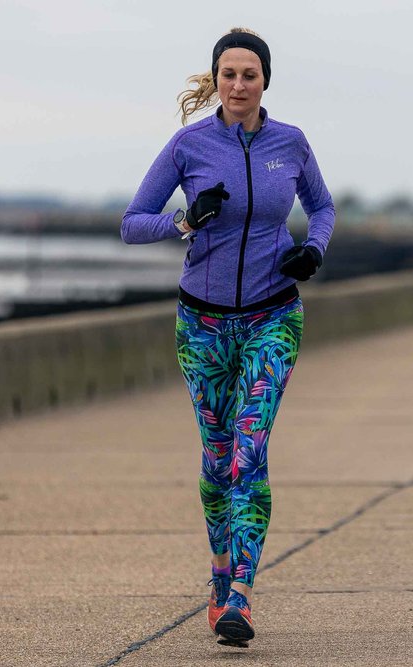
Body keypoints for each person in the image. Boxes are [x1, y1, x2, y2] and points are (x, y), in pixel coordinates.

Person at [121, 27, 334, 647]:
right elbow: (133, 223)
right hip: (202, 323)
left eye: (250, 75)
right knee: (217, 459)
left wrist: (311, 252)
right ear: (215, 79)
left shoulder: (290, 144)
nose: (239, 85)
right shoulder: (190, 145)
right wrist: (186, 219)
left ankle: (240, 592)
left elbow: (322, 208)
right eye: (228, 75)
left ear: (266, 81)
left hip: (274, 314)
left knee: (249, 450)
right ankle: (218, 576)